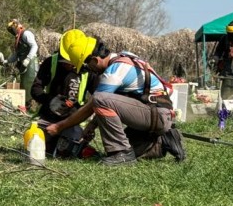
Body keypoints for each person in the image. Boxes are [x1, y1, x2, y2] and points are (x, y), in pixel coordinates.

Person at [45, 32, 187, 166]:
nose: (89, 69)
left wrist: (59, 127)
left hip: (156, 114)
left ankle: (121, 153)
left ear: (95, 59)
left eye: (88, 65)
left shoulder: (114, 73)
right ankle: (162, 141)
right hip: (156, 112)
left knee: (99, 99)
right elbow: (110, 103)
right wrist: (91, 126)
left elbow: (95, 103)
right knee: (133, 148)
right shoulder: (124, 57)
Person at [30, 29, 91, 158]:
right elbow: (35, 89)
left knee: (69, 150)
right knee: (34, 141)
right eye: (65, 62)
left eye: (72, 63)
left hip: (72, 120)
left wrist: (89, 124)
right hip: (48, 118)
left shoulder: (88, 70)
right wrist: (51, 100)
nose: (68, 66)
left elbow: (99, 98)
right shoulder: (50, 62)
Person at [2, 19, 39, 104]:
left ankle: (31, 104)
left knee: (30, 83)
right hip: (24, 63)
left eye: (12, 29)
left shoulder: (26, 34)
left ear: (16, 26)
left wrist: (28, 58)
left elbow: (34, 46)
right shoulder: (17, 39)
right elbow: (16, 54)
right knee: (23, 84)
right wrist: (6, 61)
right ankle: (24, 105)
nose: (11, 32)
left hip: (31, 63)